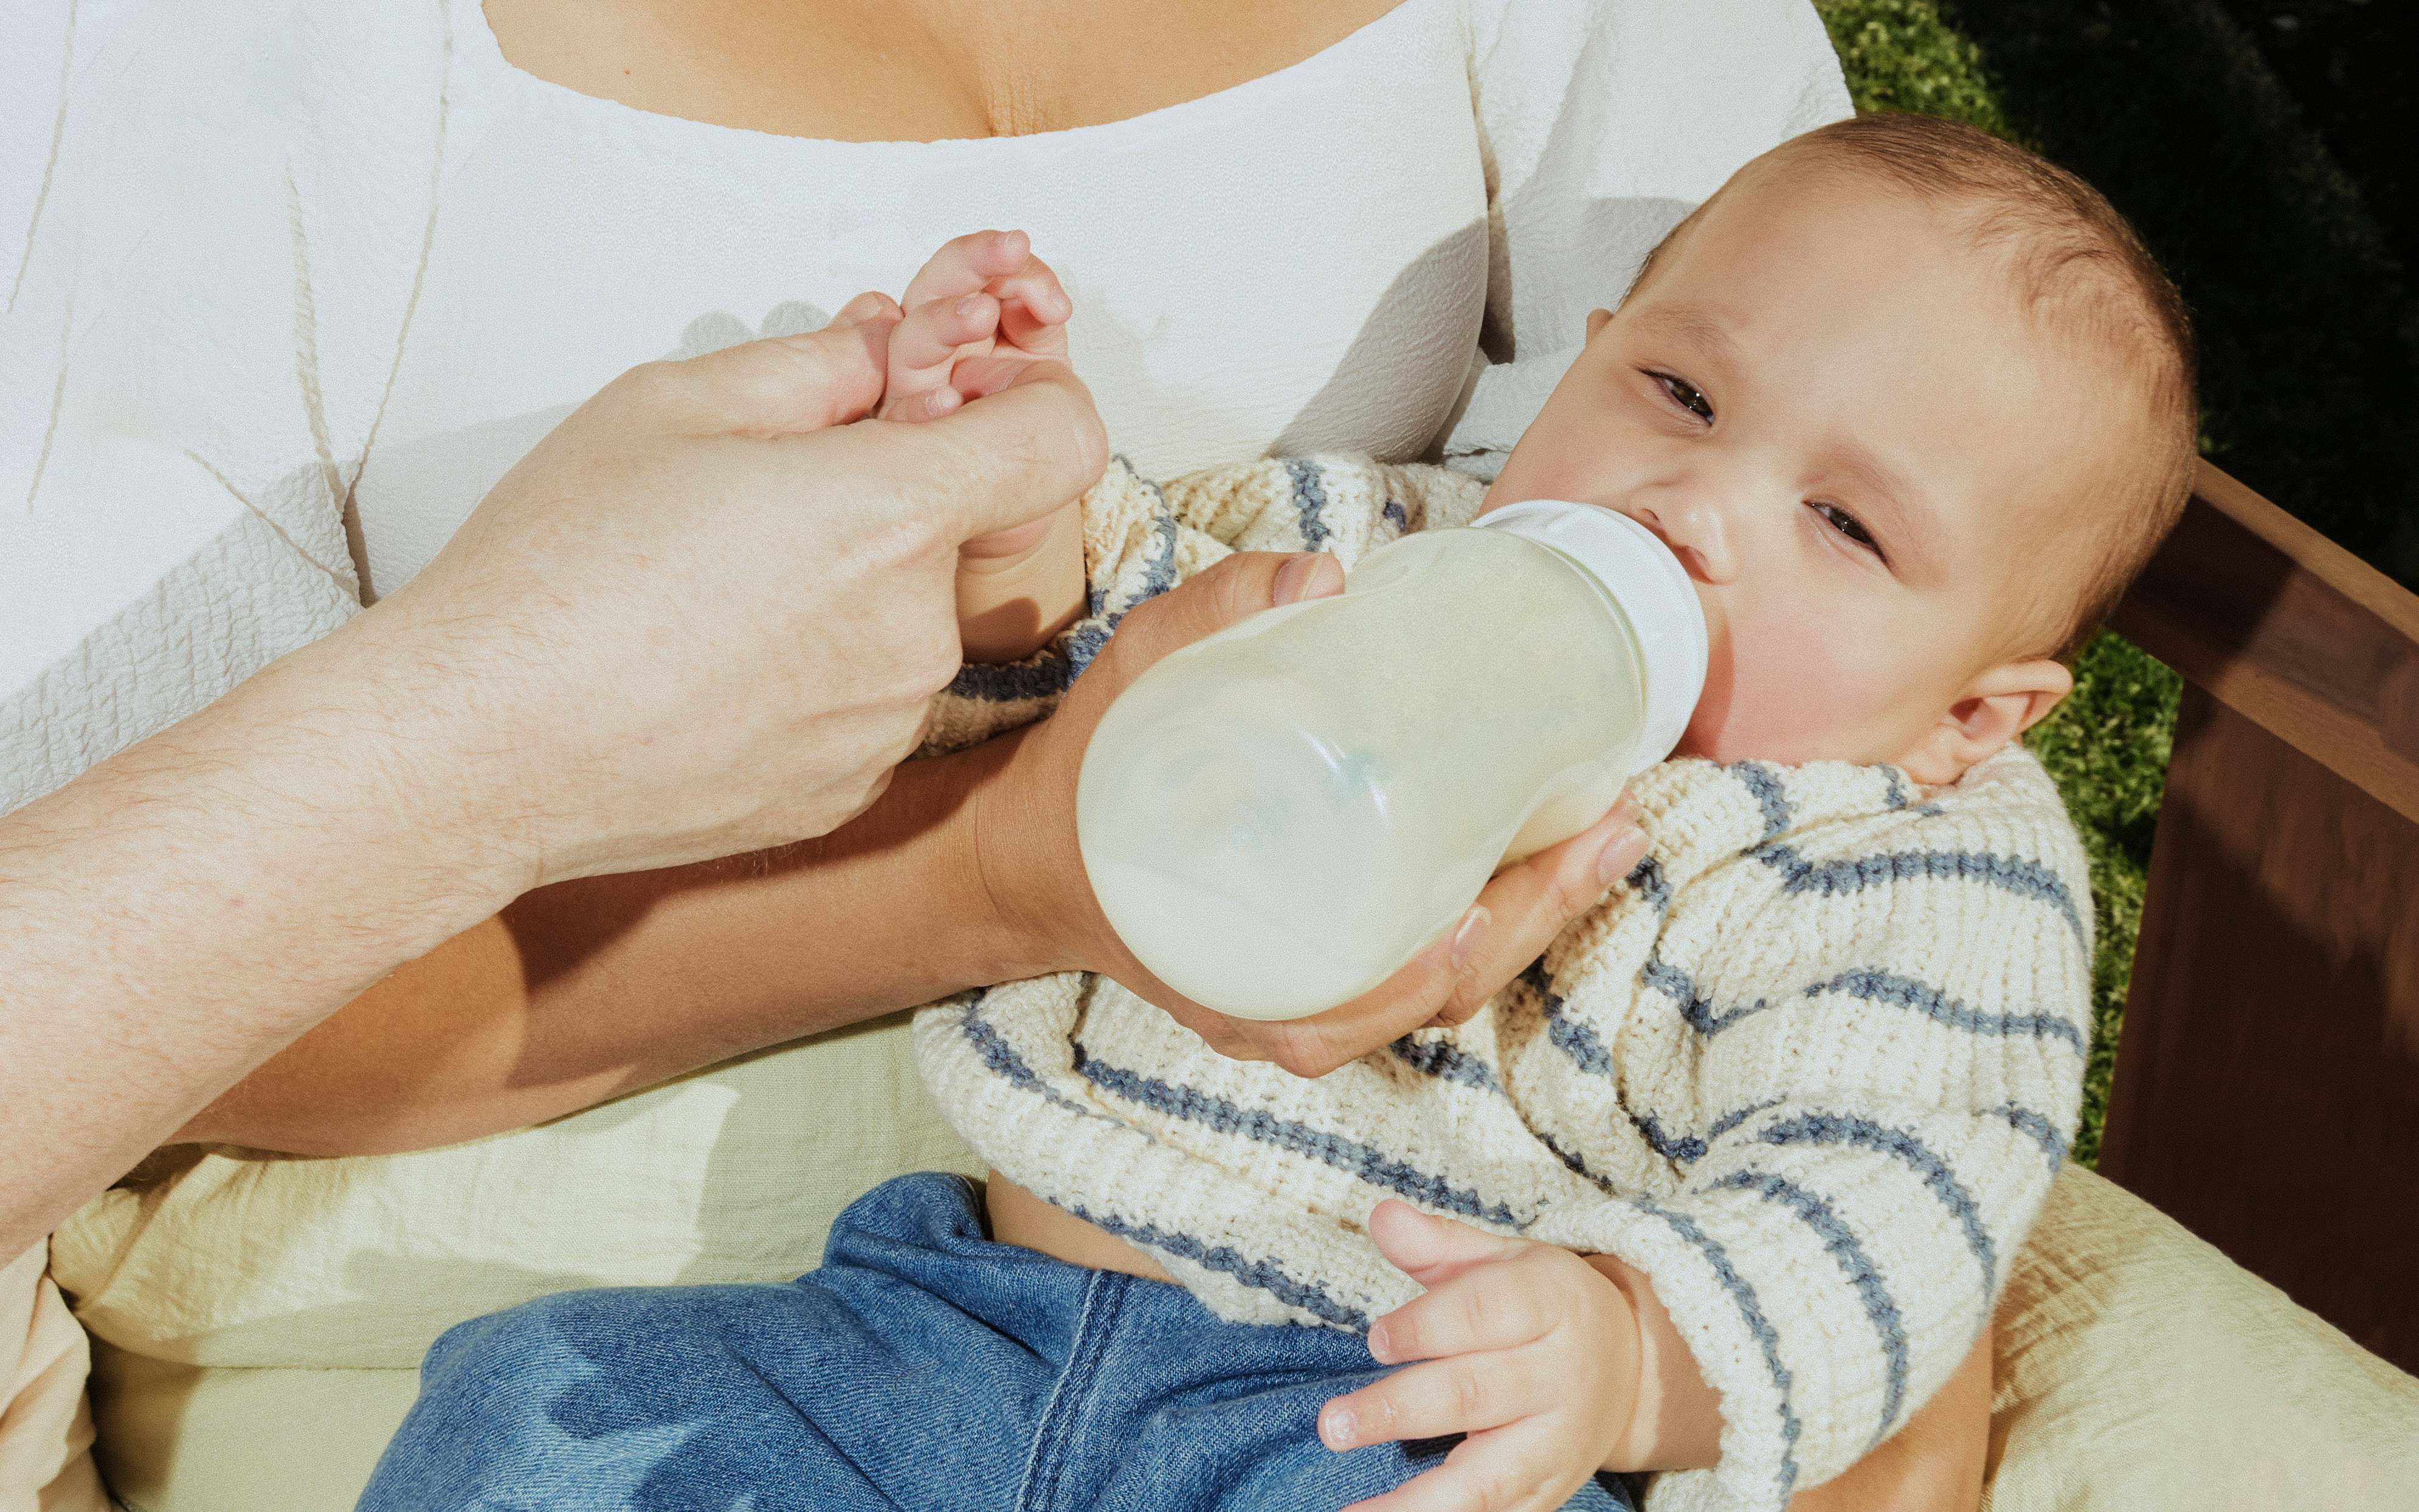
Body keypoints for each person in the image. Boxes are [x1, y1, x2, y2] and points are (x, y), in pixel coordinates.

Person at [2, 0, 1843, 1501]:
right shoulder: (196, 70)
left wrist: (1850, 1397)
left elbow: (1872, 598)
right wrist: (1009, 868)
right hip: (519, 1257)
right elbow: (156, 1001)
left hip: (1419, 1289)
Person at [356, 114, 2196, 1512]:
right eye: (1680, 391)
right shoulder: (1376, 546)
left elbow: (1898, 1206)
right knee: (544, 1409)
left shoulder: (1904, 872)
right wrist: (1014, 545)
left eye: (1847, 526)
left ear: (1975, 709)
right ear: (1590, 344)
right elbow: (1103, 662)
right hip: (960, 1323)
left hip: (1378, 1425)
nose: (1697, 508)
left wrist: (1637, 1357)